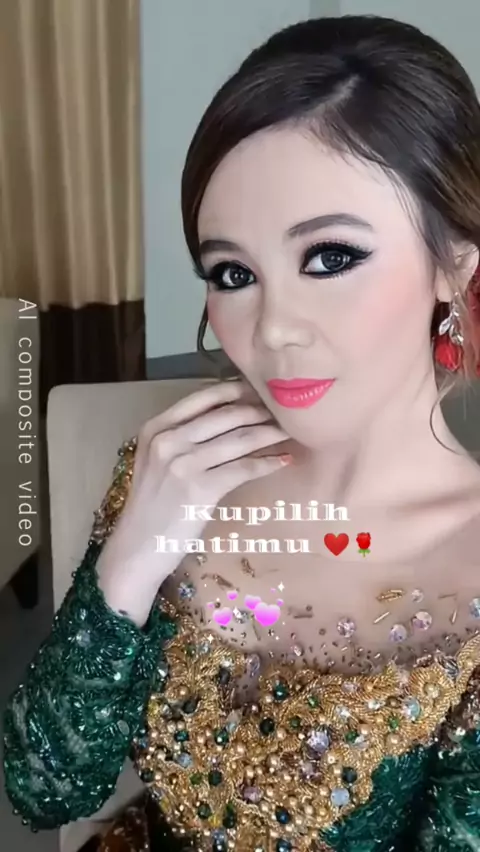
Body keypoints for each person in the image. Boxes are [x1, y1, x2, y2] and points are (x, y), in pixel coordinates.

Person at [4, 13, 480, 852]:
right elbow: (43, 789)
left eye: (330, 257)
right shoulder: (176, 473)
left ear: (455, 265)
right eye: (233, 273)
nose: (273, 328)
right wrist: (132, 558)